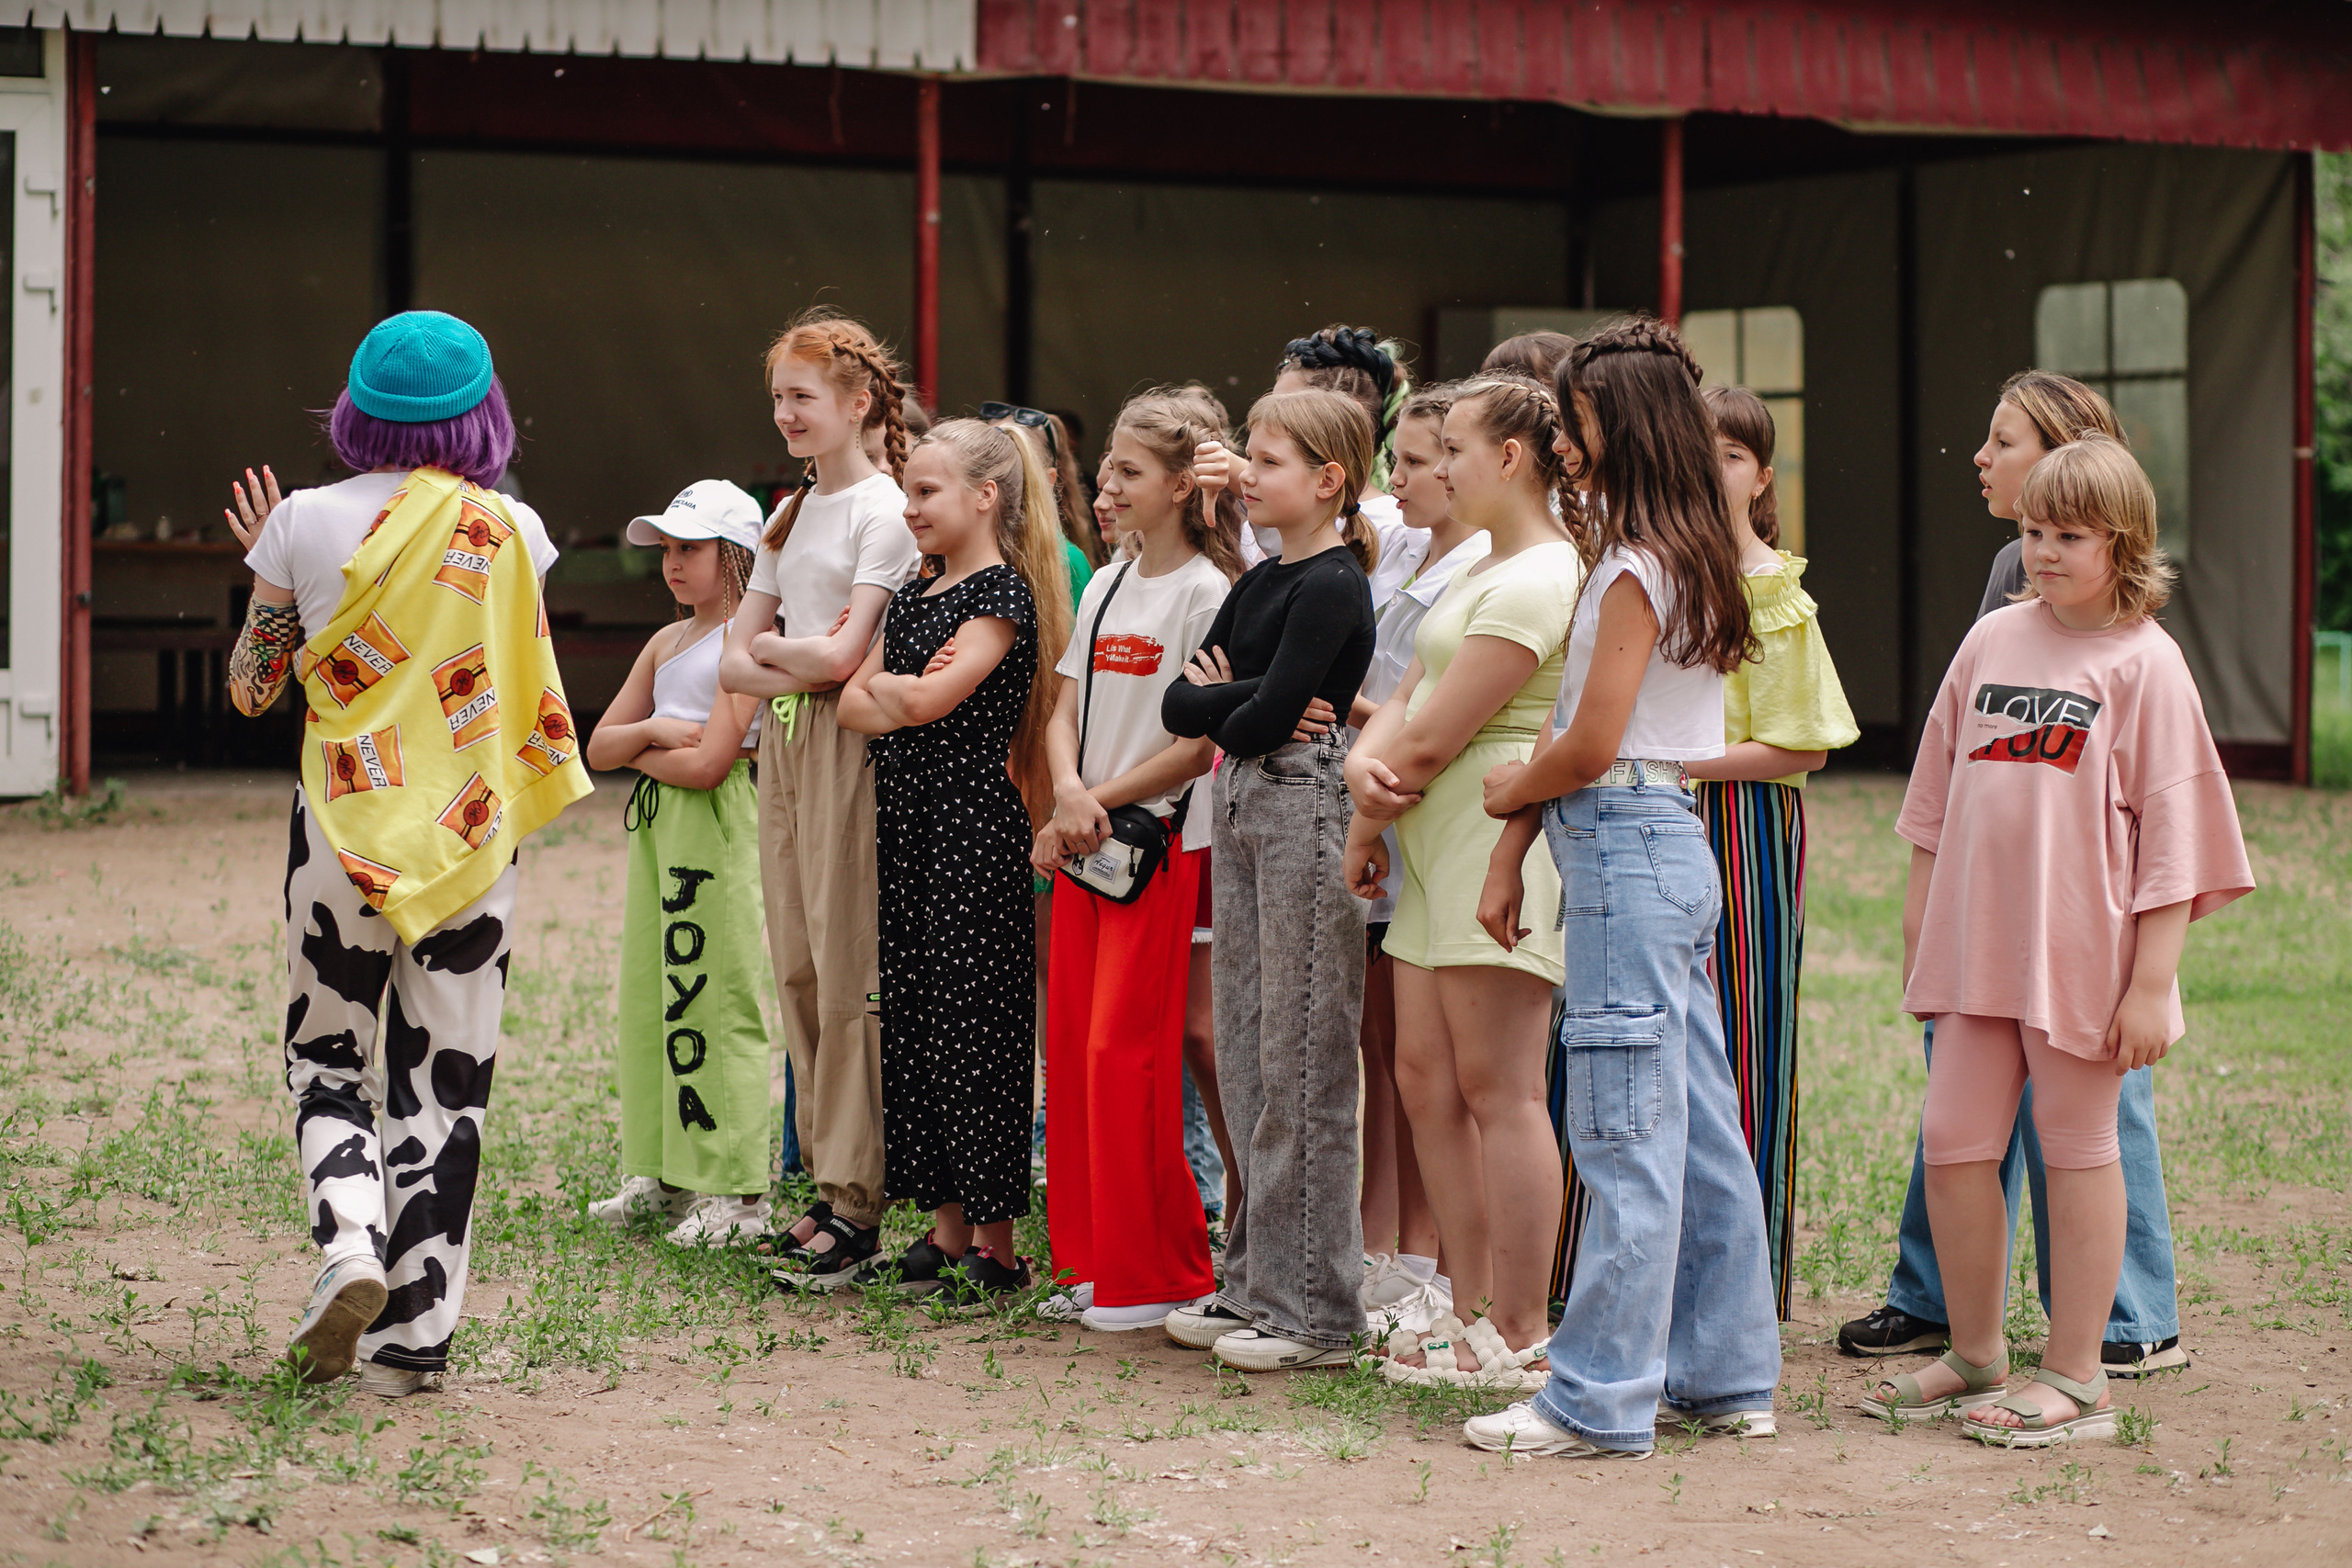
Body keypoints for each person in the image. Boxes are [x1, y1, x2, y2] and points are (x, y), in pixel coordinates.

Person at [223, 310, 590, 1397]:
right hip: (471, 841)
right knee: (447, 1083)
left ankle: (349, 1244)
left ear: (354, 409)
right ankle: (415, 1342)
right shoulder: (513, 529)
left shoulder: (300, 520)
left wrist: (270, 563)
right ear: (483, 413)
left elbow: (251, 692)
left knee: (326, 1059)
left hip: (341, 833)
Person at [1860, 434, 2252, 1446]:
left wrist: (2152, 983)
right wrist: (1919, 928)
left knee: (2076, 1152)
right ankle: (1978, 1353)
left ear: (2121, 544)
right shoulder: (1991, 641)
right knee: (1952, 1146)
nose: (2041, 551)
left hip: (2080, 959)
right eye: (2032, 530)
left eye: (2067, 534)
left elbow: (2177, 838)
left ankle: (2077, 1378)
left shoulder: (2146, 664)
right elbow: (1934, 802)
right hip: (1972, 951)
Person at [1466, 320, 1778, 1458]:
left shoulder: (1638, 566)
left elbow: (1586, 742)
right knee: (1693, 1125)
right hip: (1662, 843)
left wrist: (1511, 791)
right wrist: (1516, 839)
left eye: (1578, 415)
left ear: (1625, 425)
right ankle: (1726, 1373)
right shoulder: (1684, 553)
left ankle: (1596, 1398)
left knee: (1623, 1129)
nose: (1563, 433)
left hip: (1624, 842)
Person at [1345, 375, 1581, 1390]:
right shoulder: (1480, 563)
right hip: (1424, 841)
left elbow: (1435, 735)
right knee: (1425, 1082)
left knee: (1500, 1088)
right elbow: (1408, 691)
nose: (1436, 470)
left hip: (1492, 848)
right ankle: (1465, 1300)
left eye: (1451, 451)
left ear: (1510, 459)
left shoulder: (1542, 576)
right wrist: (1369, 790)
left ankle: (1522, 1325)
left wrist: (1369, 788)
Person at [1162, 388, 1380, 1372]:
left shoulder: (1332, 583)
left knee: (1302, 1053)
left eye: (1271, 459)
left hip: (1302, 804)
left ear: (1329, 480)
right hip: (1245, 800)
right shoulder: (1256, 582)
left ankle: (1317, 1309)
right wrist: (1232, 700)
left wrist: (1226, 696)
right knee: (1251, 1050)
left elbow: (1254, 713)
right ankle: (1254, 1282)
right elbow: (1185, 702)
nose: (1248, 474)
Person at [838, 420, 1073, 1302]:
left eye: (927, 492)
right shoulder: (913, 593)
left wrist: (897, 694)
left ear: (986, 497)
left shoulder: (1003, 595)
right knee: (918, 1018)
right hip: (906, 824)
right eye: (907, 492)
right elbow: (852, 707)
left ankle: (998, 1241)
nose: (911, 508)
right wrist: (900, 696)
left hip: (972, 828)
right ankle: (943, 1226)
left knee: (979, 1024)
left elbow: (930, 697)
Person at [1033, 388, 1243, 1330]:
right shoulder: (1107, 579)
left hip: (1154, 851)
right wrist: (1067, 791)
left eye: (1125, 470)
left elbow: (1199, 746)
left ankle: (1157, 1269)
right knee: (1076, 1050)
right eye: (1106, 467)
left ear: (1177, 484)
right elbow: (1064, 704)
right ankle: (1088, 1261)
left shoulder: (1210, 592)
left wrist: (1091, 800)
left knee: (1129, 1055)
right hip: (1087, 844)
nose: (1104, 486)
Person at [718, 309, 917, 1290]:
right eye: (778, 399)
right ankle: (824, 1180)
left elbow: (846, 658)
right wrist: (795, 661)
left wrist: (786, 659)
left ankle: (858, 1194)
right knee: (795, 964)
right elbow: (734, 660)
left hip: (848, 751)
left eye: (802, 397)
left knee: (848, 972)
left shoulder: (886, 510)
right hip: (789, 748)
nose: (787, 415)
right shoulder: (788, 513)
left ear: (857, 401)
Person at [1683, 387, 1858, 1317]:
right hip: (1657, 813)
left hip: (1742, 826)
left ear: (1761, 478)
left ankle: (1736, 1283)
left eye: (1731, 456)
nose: (1712, 471)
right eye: (1695, 450)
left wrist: (1678, 762)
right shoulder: (1650, 578)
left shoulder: (1775, 598)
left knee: (1741, 1036)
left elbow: (1803, 746)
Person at [584, 482, 771, 1247]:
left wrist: (644, 750)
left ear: (735, 557)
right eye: (665, 548)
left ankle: (737, 1190)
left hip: (716, 825)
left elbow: (713, 765)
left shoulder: (749, 643)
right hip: (660, 830)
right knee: (652, 992)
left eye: (689, 548)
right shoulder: (664, 643)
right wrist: (662, 731)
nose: (671, 563)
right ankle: (662, 1172)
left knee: (716, 994)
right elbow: (598, 746)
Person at [1348, 382, 1483, 1338]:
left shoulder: (1475, 566)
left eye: (1412, 462)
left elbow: (1421, 706)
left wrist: (1342, 710)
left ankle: (1430, 1262)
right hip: (1378, 806)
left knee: (1425, 1063)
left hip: (1422, 819)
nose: (1393, 482)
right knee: (1384, 1051)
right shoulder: (1402, 546)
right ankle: (1379, 1243)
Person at [1234, 325, 1428, 608]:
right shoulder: (1274, 517)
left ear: (1348, 420)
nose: (1270, 417)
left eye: (1289, 406)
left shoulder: (1394, 530)